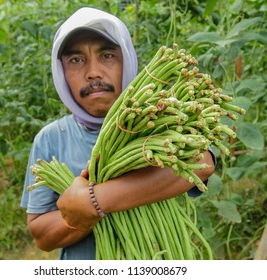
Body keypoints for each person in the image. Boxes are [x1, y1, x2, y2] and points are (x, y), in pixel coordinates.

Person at [20, 7, 215, 260]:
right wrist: (76, 219)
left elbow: (201, 163)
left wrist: (95, 201)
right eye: (76, 60)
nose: (93, 72)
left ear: (128, 60)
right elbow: (42, 235)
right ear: (61, 73)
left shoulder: (159, 119)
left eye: (108, 55)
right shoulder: (50, 138)